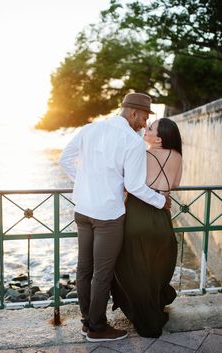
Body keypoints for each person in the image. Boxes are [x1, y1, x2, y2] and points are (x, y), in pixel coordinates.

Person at [59, 93, 171, 342]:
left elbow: (64, 160)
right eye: (143, 118)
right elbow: (135, 185)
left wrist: (87, 184)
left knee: (84, 270)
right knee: (102, 273)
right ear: (132, 113)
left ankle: (87, 322)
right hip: (108, 216)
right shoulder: (132, 142)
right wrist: (161, 201)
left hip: (83, 210)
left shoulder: (89, 129)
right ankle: (97, 328)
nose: (144, 124)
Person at [111, 117, 182, 338]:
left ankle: (144, 317)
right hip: (162, 218)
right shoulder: (178, 156)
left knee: (130, 267)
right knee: (155, 267)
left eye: (150, 128)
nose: (145, 129)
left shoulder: (140, 153)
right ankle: (154, 307)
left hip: (137, 215)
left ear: (158, 139)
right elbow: (175, 184)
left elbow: (127, 184)